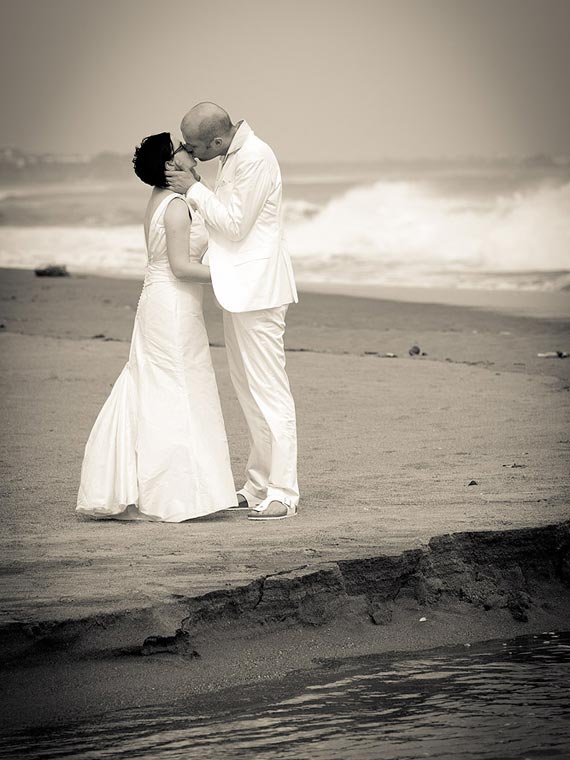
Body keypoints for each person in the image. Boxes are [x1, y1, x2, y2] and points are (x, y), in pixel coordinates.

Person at [76, 133, 237, 522]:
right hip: (174, 305)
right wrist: (233, 276)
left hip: (157, 300)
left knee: (153, 384)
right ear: (170, 165)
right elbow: (181, 268)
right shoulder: (177, 206)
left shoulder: (157, 200)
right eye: (184, 152)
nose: (192, 155)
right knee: (178, 388)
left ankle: (135, 489)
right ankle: (176, 495)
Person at [166, 102, 299, 521]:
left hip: (259, 292)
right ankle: (258, 484)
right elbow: (215, 224)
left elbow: (235, 225)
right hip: (238, 289)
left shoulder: (256, 156)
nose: (190, 151)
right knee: (248, 393)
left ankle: (284, 492)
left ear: (217, 141)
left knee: (269, 392)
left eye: (194, 145)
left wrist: (192, 189)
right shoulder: (231, 157)